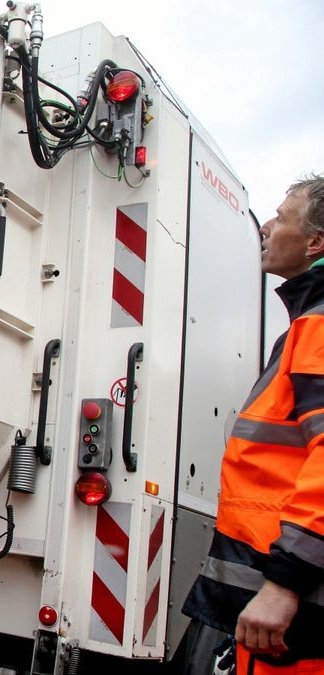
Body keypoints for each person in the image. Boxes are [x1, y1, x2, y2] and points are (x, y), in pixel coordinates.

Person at [183, 175, 324, 674]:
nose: (266, 227)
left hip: (295, 611)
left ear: (316, 243)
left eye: (281, 217)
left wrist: (285, 585)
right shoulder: (307, 324)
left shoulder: (320, 326)